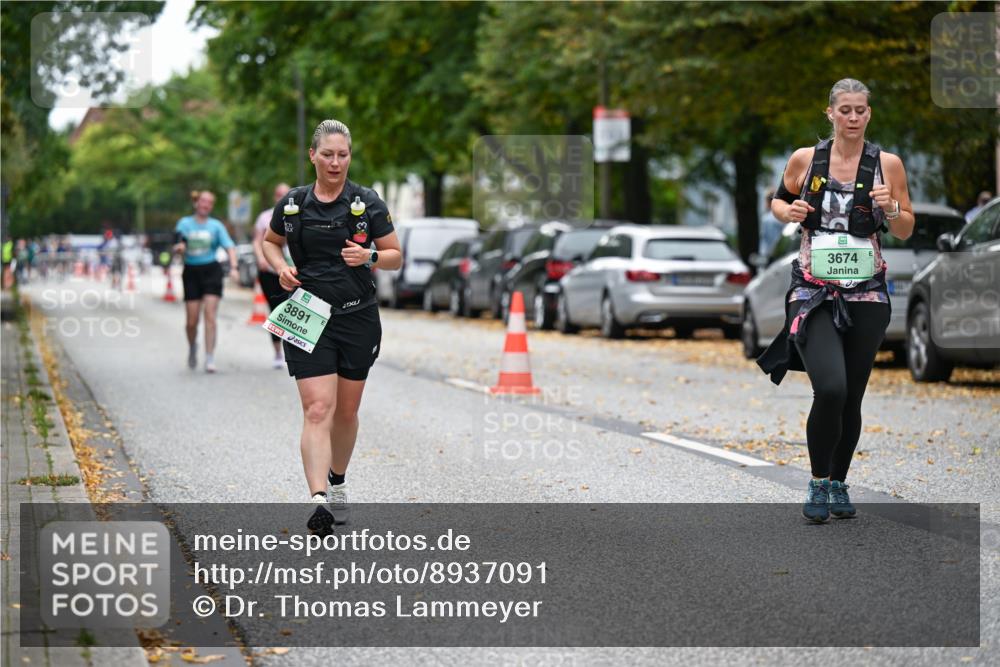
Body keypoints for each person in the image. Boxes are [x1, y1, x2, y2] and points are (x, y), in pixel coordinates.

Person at [756, 78, 914, 523]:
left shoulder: (888, 165)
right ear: (830, 113)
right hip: (813, 293)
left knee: (852, 397)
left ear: (869, 113)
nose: (853, 117)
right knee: (830, 387)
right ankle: (818, 479)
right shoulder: (806, 160)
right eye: (844, 109)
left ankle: (839, 483)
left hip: (867, 295)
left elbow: (905, 228)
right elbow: (778, 200)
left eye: (860, 110)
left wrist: (893, 209)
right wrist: (787, 212)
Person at [262, 119, 402, 533]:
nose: (335, 162)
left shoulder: (367, 203)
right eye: (328, 154)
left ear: (349, 157)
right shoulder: (292, 205)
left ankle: (338, 481)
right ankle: (319, 498)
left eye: (342, 155)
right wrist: (279, 267)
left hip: (357, 315)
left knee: (346, 410)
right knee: (317, 407)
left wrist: (371, 258)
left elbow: (395, 254)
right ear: (313, 156)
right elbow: (270, 242)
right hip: (306, 314)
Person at [173, 190, 238, 373]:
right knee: (191, 321)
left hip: (211, 271)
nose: (205, 205)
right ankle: (193, 345)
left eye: (209, 202)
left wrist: (233, 267)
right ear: (196, 202)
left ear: (211, 206)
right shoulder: (185, 223)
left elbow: (229, 246)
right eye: (203, 201)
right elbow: (179, 241)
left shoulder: (216, 226)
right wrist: (179, 248)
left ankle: (209, 357)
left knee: (210, 315)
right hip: (191, 272)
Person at [253, 182, 292, 368]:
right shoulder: (265, 217)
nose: (281, 198)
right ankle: (278, 352)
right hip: (270, 272)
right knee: (276, 310)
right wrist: (261, 258)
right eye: (279, 194)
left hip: (294, 271)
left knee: (290, 310)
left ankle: (295, 350)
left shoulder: (298, 213)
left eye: (285, 194)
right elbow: (258, 241)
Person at [758, 188, 783, 258]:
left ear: (769, 202)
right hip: (782, 254)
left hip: (768, 256)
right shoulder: (784, 217)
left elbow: (766, 241)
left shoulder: (767, 219)